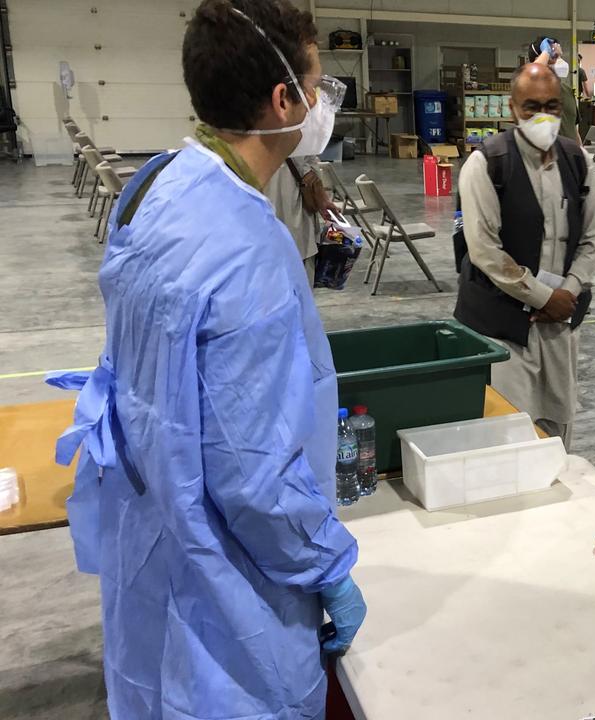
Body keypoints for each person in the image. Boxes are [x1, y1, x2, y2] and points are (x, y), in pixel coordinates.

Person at [43, 1, 365, 717]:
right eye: (316, 87)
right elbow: (252, 468)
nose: (321, 104)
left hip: (153, 549)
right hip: (227, 612)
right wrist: (326, 565)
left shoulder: (156, 184)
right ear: (284, 99)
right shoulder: (248, 246)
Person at [453, 62, 595, 449]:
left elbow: (591, 236)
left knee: (558, 431)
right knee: (508, 436)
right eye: (531, 106)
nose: (543, 116)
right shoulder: (487, 164)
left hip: (559, 325)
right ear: (512, 108)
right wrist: (542, 296)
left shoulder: (578, 162)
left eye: (552, 106)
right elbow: (485, 251)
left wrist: (567, 292)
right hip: (504, 330)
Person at [263, 153, 340, 286]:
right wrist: (322, 200)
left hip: (262, 218)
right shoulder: (301, 136)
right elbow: (309, 171)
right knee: (301, 278)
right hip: (295, 212)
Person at [528, 36, 581, 144]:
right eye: (555, 56)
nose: (559, 61)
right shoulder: (535, 89)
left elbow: (573, 129)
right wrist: (547, 52)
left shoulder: (567, 90)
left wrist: (581, 153)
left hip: (569, 157)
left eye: (559, 56)